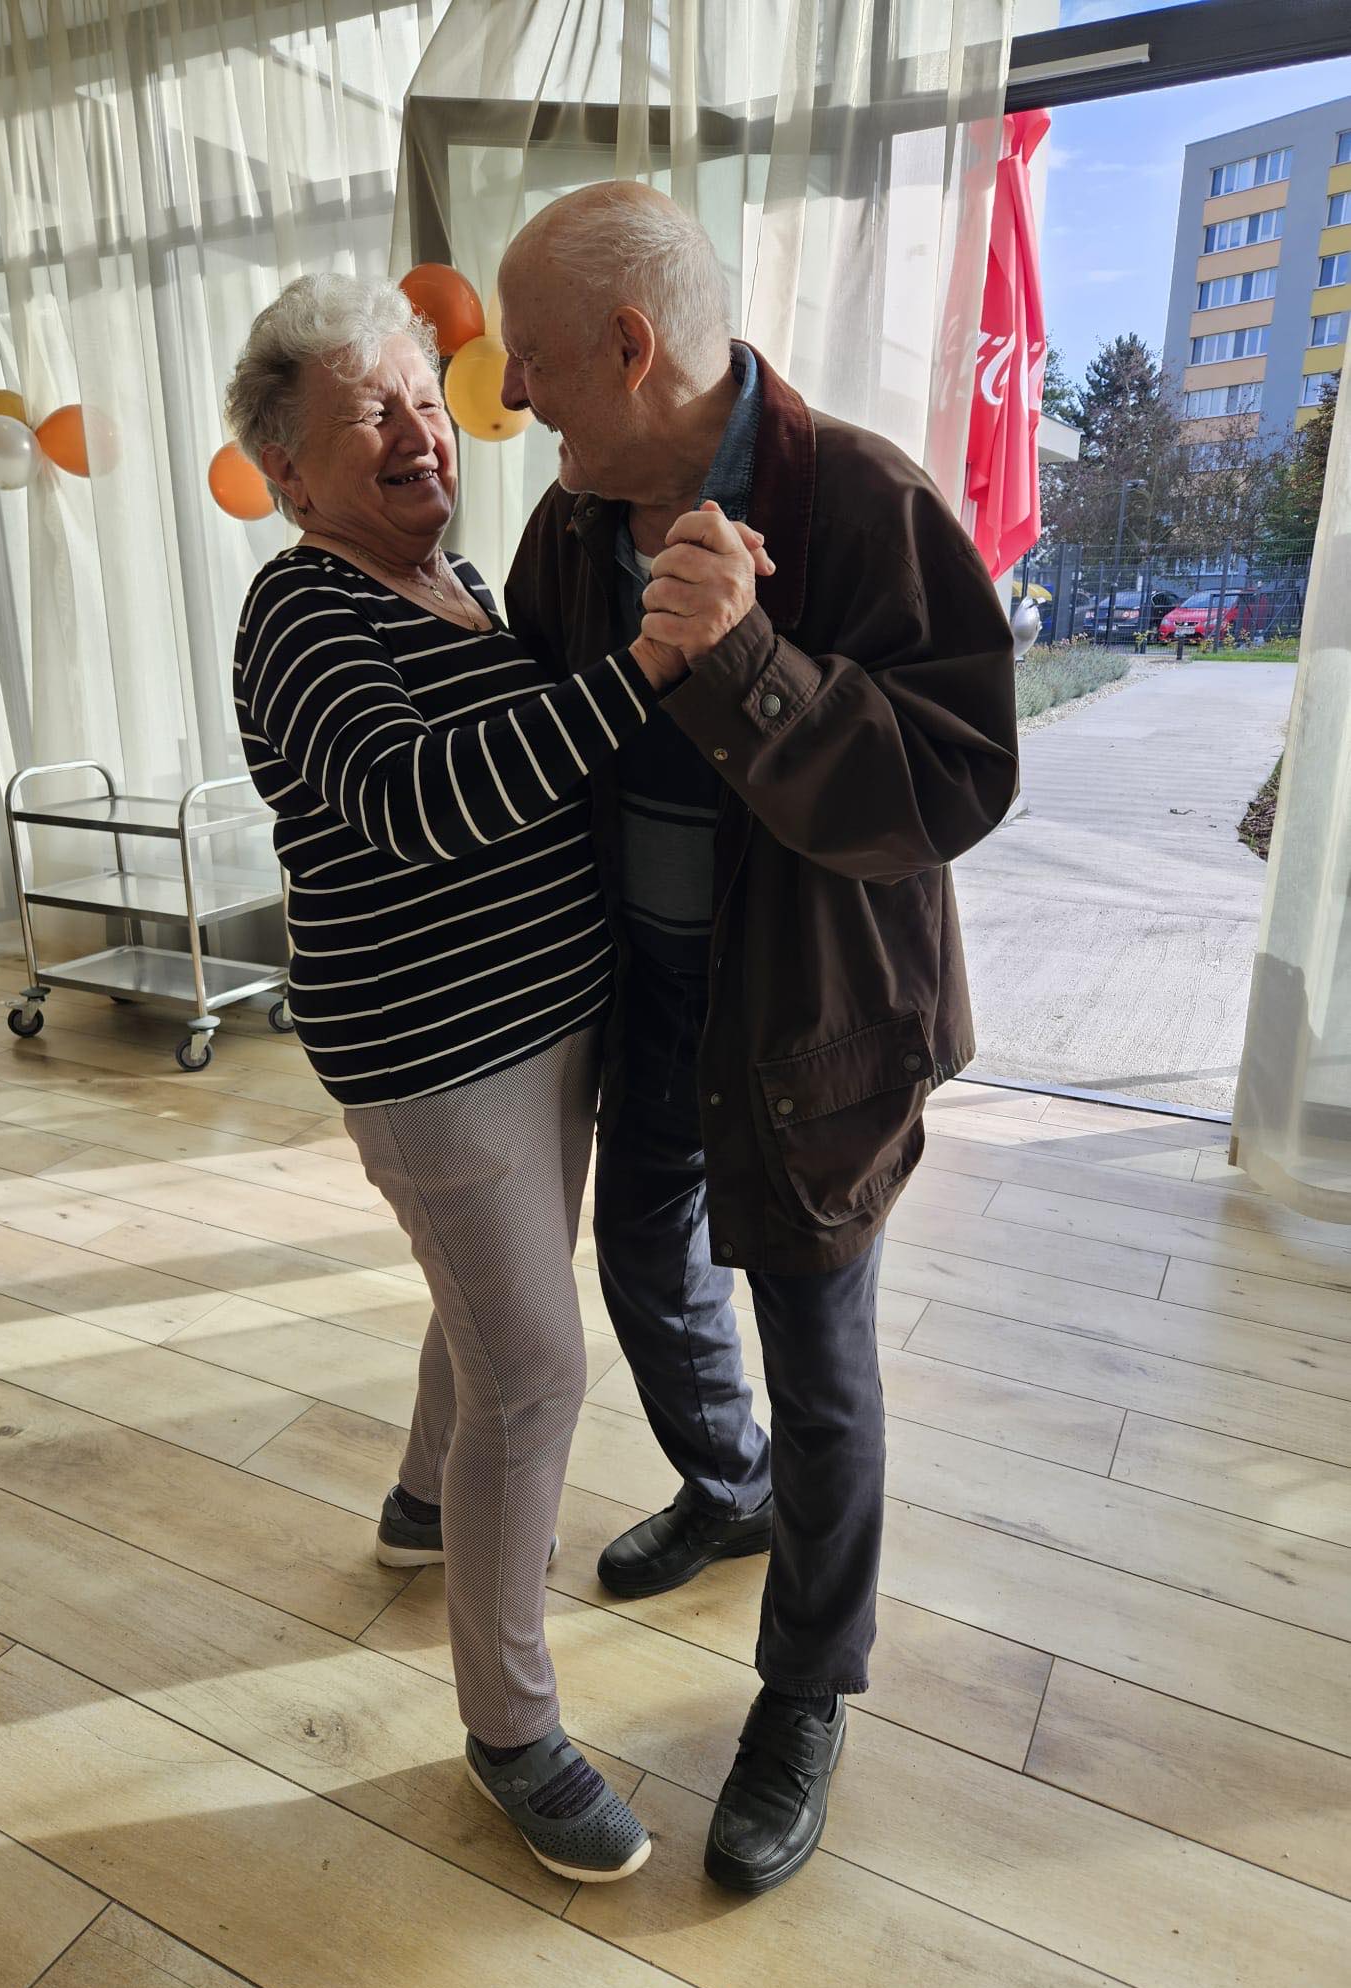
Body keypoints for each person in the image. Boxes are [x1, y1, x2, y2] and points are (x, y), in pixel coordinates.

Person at [498, 184, 1018, 1895]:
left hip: (812, 1018)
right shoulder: (575, 519)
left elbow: (955, 783)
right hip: (640, 995)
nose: (510, 394)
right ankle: (729, 1489)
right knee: (644, 1261)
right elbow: (536, 722)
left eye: (534, 359)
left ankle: (807, 1689)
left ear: (629, 345)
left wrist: (754, 659)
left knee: (819, 1347)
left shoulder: (864, 502)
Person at [225, 273, 766, 1885]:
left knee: (487, 1298)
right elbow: (420, 801)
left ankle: (418, 1507)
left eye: (422, 397)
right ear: (289, 472)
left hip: (550, 1026)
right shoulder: (298, 612)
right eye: (369, 414)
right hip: (435, 1057)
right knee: (533, 1373)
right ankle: (510, 1728)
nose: (420, 431)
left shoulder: (455, 577)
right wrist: (649, 667)